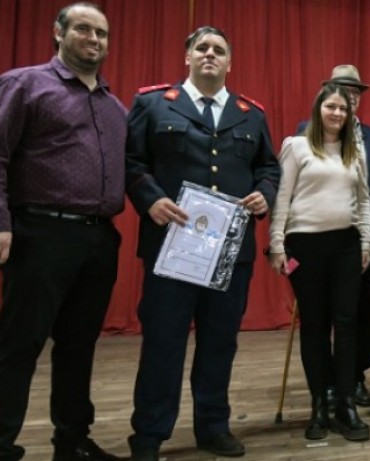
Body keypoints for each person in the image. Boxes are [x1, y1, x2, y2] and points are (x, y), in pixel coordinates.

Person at [125, 26, 280, 460]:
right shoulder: (154, 104)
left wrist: (264, 194)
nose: (210, 54)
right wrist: (150, 199)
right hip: (171, 249)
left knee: (219, 343)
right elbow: (131, 161)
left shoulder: (250, 114)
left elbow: (269, 168)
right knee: (163, 343)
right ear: (188, 57)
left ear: (230, 62)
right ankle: (149, 435)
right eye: (202, 48)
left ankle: (213, 427)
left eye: (219, 50)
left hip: (229, 253)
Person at [0, 4, 124, 460]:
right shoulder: (24, 85)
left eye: (102, 33)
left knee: (78, 347)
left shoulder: (114, 107)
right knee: (19, 344)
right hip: (40, 234)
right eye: (83, 29)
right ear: (58, 32)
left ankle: (71, 443)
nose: (94, 39)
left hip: (99, 240)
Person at [269, 83, 370, 441]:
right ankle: (318, 405)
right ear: (318, 109)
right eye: (331, 107)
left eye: (343, 109)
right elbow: (282, 197)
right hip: (304, 246)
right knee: (314, 325)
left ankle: (345, 403)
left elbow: (364, 200)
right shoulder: (296, 146)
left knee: (346, 324)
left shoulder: (354, 150)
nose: (337, 113)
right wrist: (277, 244)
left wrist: (366, 240)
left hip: (346, 245)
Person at [298, 65, 370, 408]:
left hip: (367, 239)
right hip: (323, 238)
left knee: (368, 312)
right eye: (342, 90)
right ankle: (328, 383)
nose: (349, 97)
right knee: (325, 314)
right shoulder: (306, 133)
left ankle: (354, 375)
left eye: (355, 92)